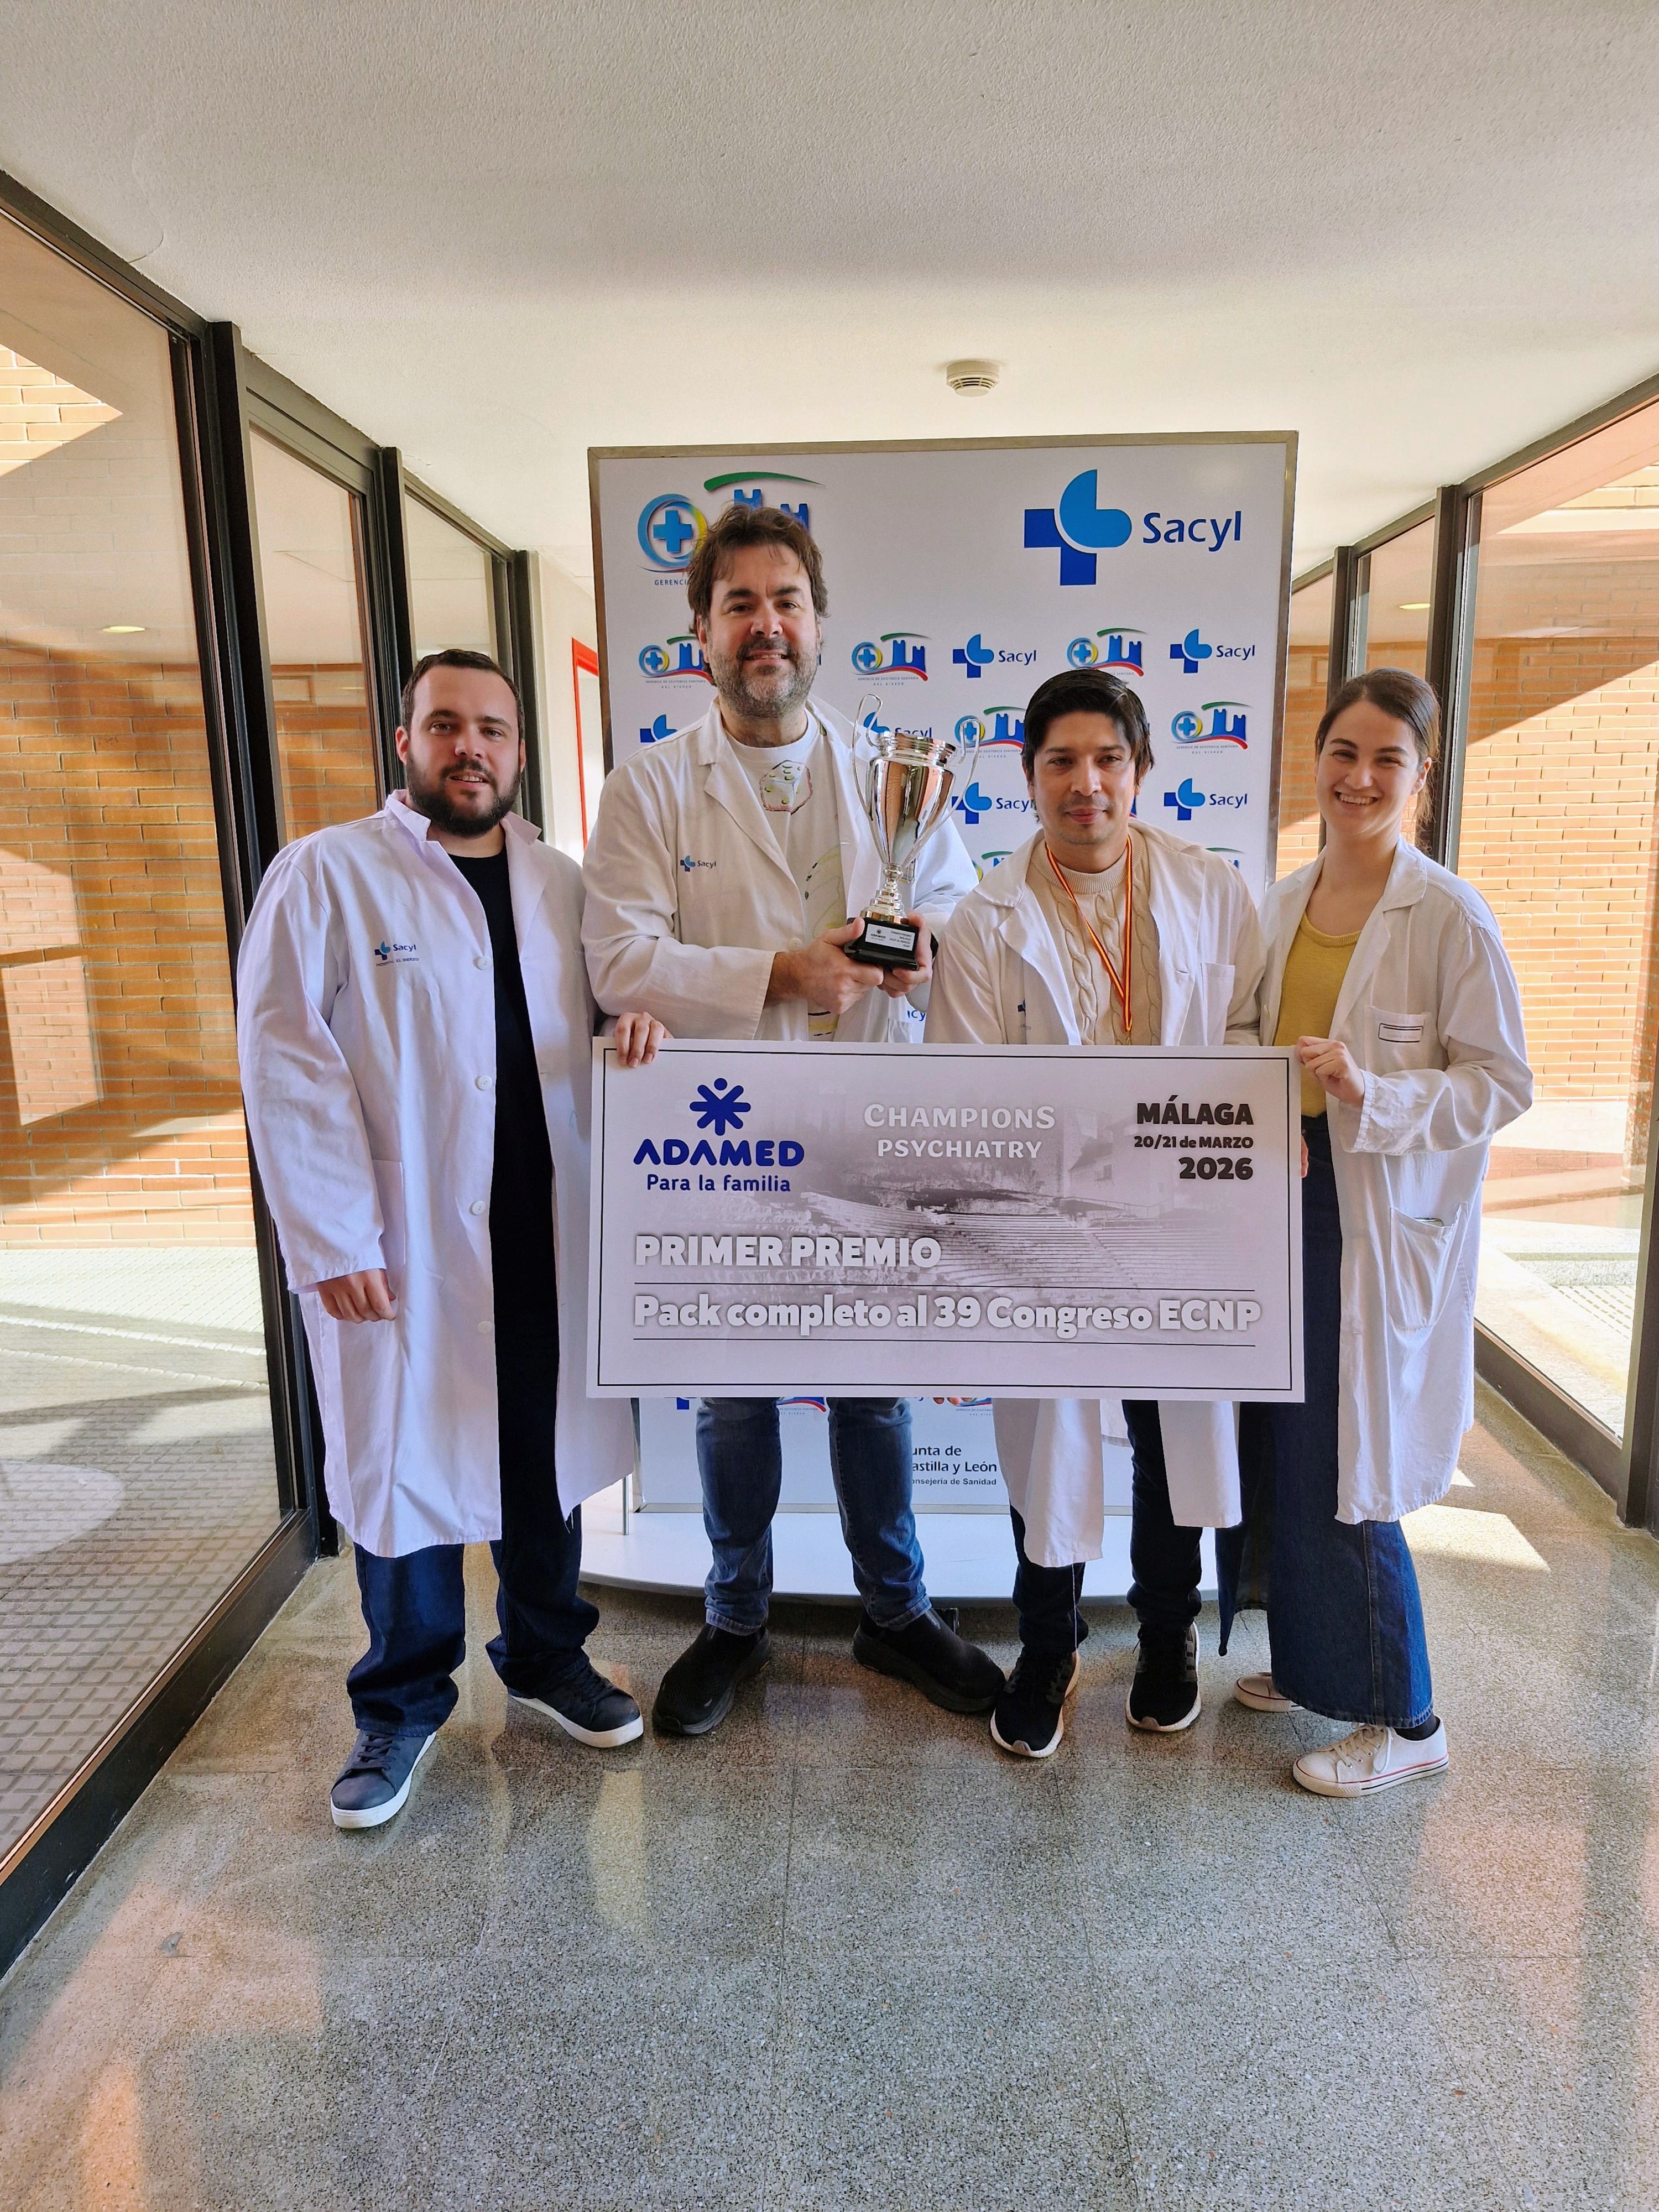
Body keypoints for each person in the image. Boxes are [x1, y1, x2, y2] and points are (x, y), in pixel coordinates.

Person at [582, 502, 1001, 1735]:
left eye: (787, 603)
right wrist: (777, 971)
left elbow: (959, 924)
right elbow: (617, 957)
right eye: (740, 606)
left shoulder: (891, 772)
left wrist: (923, 955)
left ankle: (895, 1610)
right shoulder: (651, 786)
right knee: (733, 1393)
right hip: (724, 1140)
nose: (766, 626)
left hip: (870, 1120)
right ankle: (735, 1618)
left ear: (821, 625)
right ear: (700, 632)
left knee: (874, 1389)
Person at [238, 648, 667, 1831]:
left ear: (521, 753)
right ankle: (401, 1698)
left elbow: (611, 1008)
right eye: (445, 726)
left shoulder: (568, 885)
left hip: (547, 1227)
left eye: (491, 729)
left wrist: (634, 1024)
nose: (469, 747)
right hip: (403, 1239)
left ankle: (545, 1656)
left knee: (539, 1455)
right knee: (404, 1469)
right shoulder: (325, 876)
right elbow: (285, 1066)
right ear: (405, 742)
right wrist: (330, 1235)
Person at [927, 666, 1265, 1756]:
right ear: (1027, 776)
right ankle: (1048, 1644)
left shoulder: (1211, 887)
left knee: (1171, 1440)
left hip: (1179, 1214)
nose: (1087, 783)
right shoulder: (986, 919)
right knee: (1048, 1445)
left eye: (1107, 759)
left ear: (1142, 768)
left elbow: (1251, 1037)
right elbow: (965, 1094)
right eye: (1061, 762)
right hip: (1049, 1227)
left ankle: (1164, 1640)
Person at [1222, 667, 1531, 1796]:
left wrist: (1374, 1090)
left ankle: (1408, 1715)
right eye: (1343, 751)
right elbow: (1252, 1031)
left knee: (1358, 1462)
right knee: (1290, 1452)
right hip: (1285, 1199)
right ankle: (1314, 1664)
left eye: (1387, 758)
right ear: (1316, 758)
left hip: (1372, 1216)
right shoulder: (1285, 895)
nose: (1359, 776)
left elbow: (1503, 1079)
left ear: (1422, 774)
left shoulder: (1447, 912)